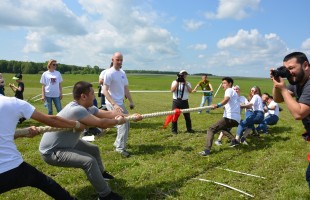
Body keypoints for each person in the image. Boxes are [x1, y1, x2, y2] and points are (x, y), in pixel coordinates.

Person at [39, 81, 141, 200]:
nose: (94, 96)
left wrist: (131, 116)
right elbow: (102, 124)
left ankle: (101, 175)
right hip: (52, 151)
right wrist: (119, 121)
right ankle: (105, 195)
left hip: (68, 142)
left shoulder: (87, 107)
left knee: (93, 149)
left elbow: (108, 114)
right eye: (92, 93)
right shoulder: (77, 110)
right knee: (89, 161)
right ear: (83, 96)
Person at [0, 93, 86, 199]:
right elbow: (52, 120)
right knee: (44, 182)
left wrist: (21, 133)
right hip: (12, 166)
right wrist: (76, 125)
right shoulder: (13, 103)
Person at [271, 52, 310, 188]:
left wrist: (282, 88)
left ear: (305, 65)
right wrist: (277, 84)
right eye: (286, 69)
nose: (289, 72)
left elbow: (298, 113)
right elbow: (278, 99)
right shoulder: (297, 82)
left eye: (292, 68)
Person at [102, 52, 135, 157]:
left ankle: (117, 143)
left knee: (127, 122)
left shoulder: (122, 73)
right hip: (113, 103)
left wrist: (130, 101)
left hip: (120, 103)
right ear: (112, 60)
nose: (119, 62)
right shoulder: (109, 73)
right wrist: (114, 104)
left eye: (121, 60)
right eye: (117, 60)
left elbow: (125, 88)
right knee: (123, 125)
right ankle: (120, 149)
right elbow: (105, 90)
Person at [199, 77, 241, 156]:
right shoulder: (234, 92)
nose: (222, 85)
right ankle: (234, 141)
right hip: (236, 119)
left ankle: (207, 150)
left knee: (211, 129)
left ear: (230, 84)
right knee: (221, 128)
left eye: (224, 83)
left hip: (230, 117)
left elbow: (226, 100)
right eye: (222, 83)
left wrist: (217, 105)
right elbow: (230, 103)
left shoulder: (229, 90)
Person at [170, 70, 195, 134]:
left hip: (184, 102)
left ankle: (189, 129)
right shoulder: (174, 82)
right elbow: (172, 90)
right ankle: (174, 130)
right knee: (174, 116)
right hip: (176, 101)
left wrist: (185, 83)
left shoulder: (188, 83)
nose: (184, 75)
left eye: (185, 74)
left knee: (187, 116)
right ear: (179, 75)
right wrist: (177, 82)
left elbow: (190, 91)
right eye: (182, 74)